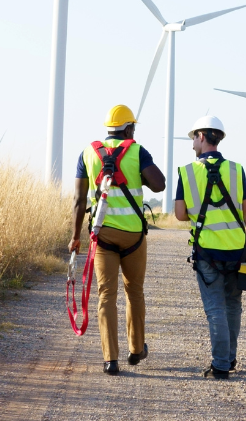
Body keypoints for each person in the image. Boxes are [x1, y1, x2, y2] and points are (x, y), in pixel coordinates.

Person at [70, 104, 166, 376]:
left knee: (106, 294)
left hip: (102, 237)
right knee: (134, 291)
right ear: (129, 128)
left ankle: (110, 359)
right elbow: (159, 184)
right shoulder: (137, 150)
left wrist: (76, 238)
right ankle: (136, 350)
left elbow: (79, 200)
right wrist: (138, 174)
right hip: (134, 236)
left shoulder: (88, 153)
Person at [173, 115, 246, 379]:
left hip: (207, 252)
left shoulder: (187, 171)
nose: (192, 142)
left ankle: (219, 366)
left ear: (202, 137)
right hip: (236, 250)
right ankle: (228, 359)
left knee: (215, 308)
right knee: (232, 306)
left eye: (194, 136)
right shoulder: (237, 170)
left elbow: (180, 214)